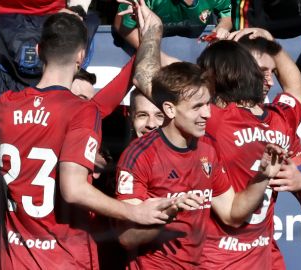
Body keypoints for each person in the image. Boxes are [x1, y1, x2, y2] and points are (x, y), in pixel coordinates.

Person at [0, 13, 173, 269]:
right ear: (81, 56)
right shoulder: (82, 111)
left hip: (14, 261)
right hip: (65, 259)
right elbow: (74, 190)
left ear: (38, 51)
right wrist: (150, 34)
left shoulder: (2, 106)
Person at [114, 2, 288, 268]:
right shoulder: (140, 155)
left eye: (208, 104)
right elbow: (128, 237)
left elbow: (231, 213)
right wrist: (170, 212)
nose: (207, 114)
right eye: (197, 107)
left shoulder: (207, 146)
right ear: (169, 109)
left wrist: (262, 177)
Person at [233, 28, 301, 269]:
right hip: (216, 258)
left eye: (273, 71)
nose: (270, 81)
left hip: (265, 258)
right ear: (236, 71)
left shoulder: (281, 122)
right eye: (262, 71)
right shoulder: (209, 118)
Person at [114, 0, 232, 65]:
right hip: (152, 50)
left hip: (195, 52)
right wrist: (157, 54)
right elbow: (121, 24)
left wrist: (223, 27)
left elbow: (227, 14)